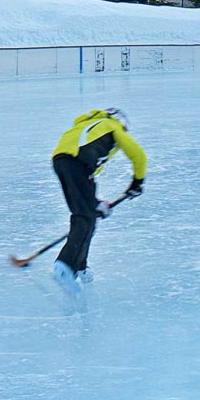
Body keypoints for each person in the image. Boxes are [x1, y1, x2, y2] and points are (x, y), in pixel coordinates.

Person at [50, 108, 147, 293]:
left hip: (62, 162)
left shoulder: (86, 127)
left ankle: (80, 266)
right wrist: (137, 182)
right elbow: (139, 155)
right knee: (84, 217)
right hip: (78, 163)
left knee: (87, 214)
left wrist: (96, 204)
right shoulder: (112, 125)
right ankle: (65, 266)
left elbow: (85, 183)